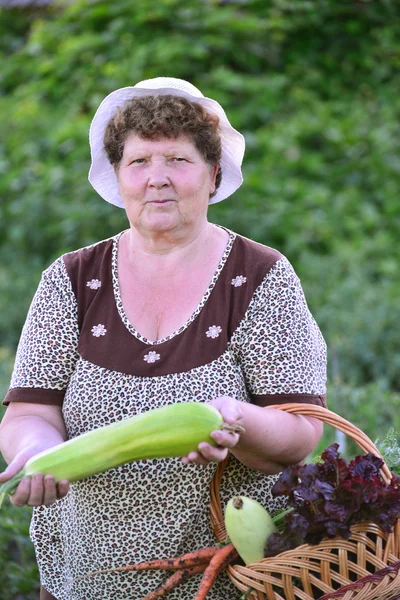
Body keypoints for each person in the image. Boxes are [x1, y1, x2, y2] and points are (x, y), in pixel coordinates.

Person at [0, 77, 327, 600]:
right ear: (118, 177)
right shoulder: (72, 278)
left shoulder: (260, 276)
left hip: (221, 577)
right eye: (139, 162)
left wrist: (238, 421)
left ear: (213, 174)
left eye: (178, 160)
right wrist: (39, 452)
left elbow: (301, 431)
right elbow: (29, 411)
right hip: (86, 575)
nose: (158, 179)